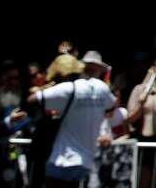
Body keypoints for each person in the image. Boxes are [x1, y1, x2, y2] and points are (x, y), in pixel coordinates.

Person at [30, 53, 116, 186]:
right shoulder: (102, 89)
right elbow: (111, 106)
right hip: (84, 161)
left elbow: (32, 100)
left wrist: (44, 89)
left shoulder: (68, 88)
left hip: (61, 159)